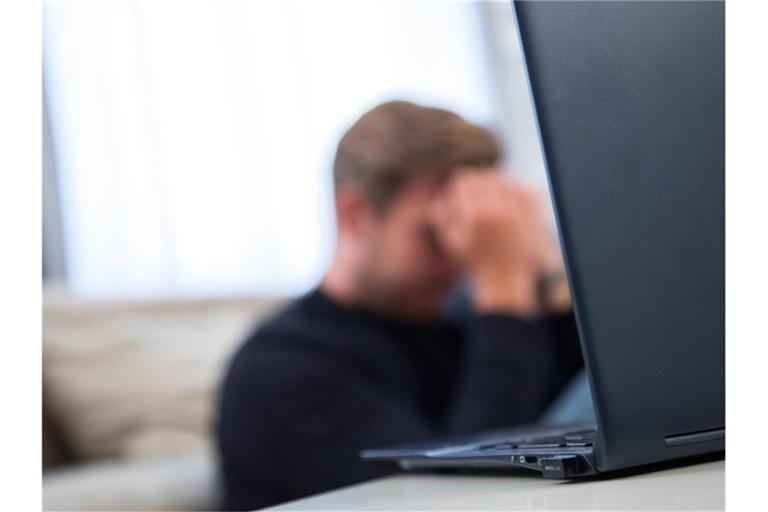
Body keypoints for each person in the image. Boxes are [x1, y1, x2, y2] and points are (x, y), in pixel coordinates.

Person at [216, 100, 583, 510]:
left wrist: (542, 265)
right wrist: (503, 286)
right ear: (355, 214)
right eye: (434, 234)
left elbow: (588, 414)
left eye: (466, 230)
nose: (460, 259)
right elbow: (461, 501)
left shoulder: (453, 328)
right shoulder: (280, 368)